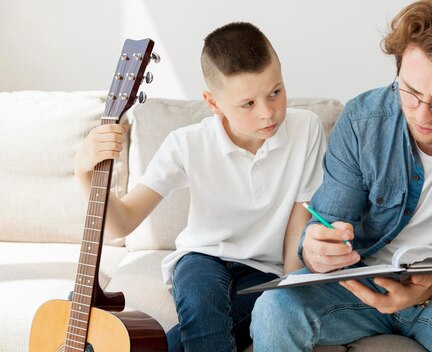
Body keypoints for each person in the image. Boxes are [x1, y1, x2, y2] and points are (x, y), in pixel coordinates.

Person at [250, 0, 432, 351]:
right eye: (410, 91)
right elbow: (326, 224)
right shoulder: (363, 121)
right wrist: (317, 249)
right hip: (363, 283)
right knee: (274, 307)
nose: (422, 114)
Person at [74, 22, 326, 352]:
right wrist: (84, 173)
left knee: (214, 329)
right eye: (247, 104)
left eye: (275, 92)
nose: (268, 113)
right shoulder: (187, 143)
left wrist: (290, 290)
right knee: (201, 306)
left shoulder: (306, 128)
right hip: (202, 258)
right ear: (213, 102)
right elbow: (123, 222)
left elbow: (298, 224)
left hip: (266, 270)